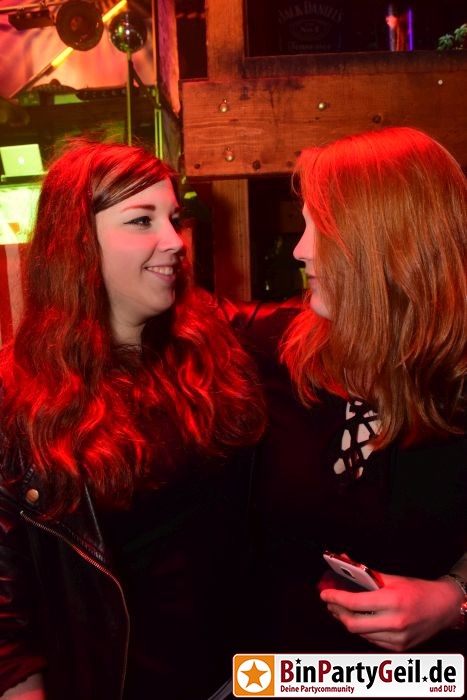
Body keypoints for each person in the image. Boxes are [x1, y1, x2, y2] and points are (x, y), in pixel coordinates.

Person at [0, 140, 266, 700]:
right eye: (142, 220)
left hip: (241, 677)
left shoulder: (210, 342)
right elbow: (5, 603)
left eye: (173, 218)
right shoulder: (17, 397)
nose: (175, 241)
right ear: (78, 243)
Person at [242, 127, 466, 656]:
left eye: (320, 228)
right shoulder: (272, 352)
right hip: (282, 674)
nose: (299, 250)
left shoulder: (455, 378)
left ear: (392, 243)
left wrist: (453, 598)